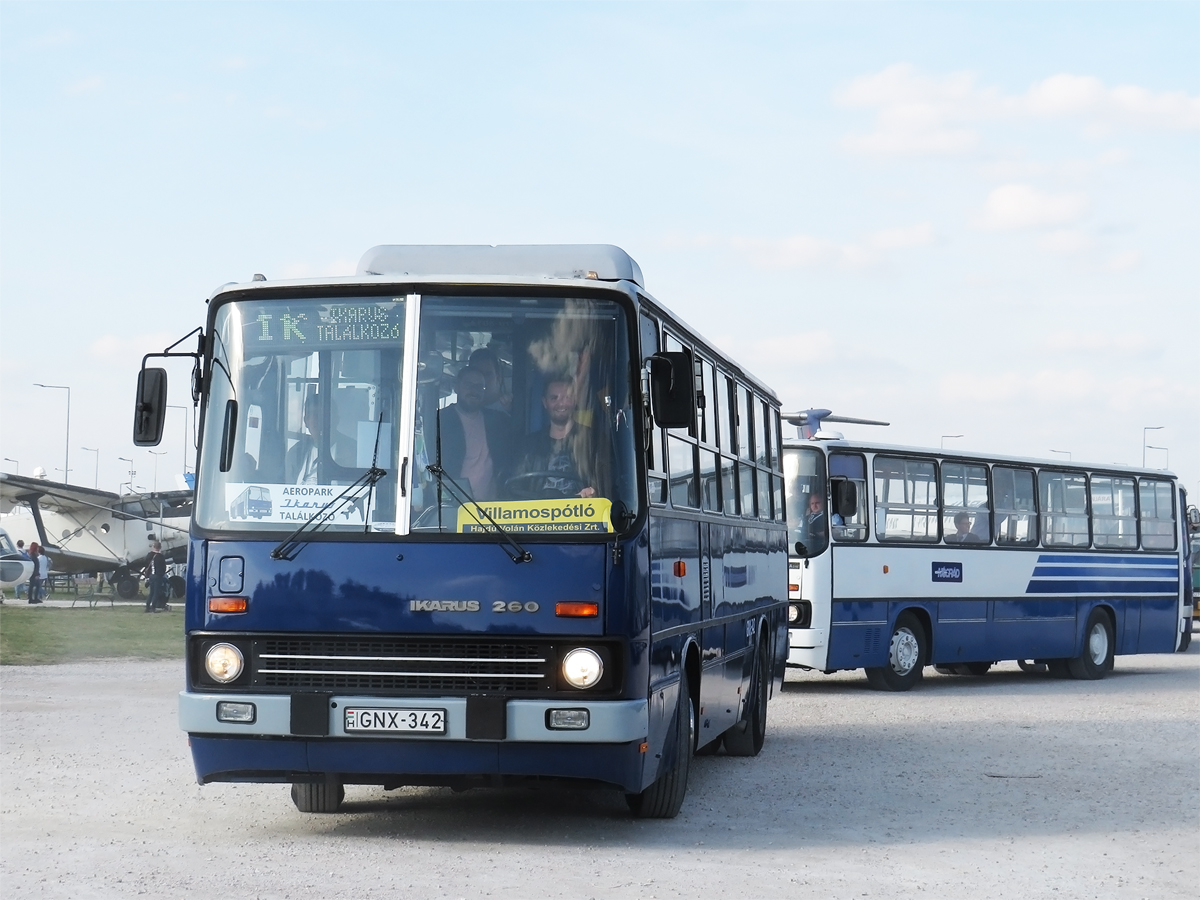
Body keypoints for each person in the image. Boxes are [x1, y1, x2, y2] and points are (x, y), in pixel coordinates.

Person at [511, 375, 596, 499]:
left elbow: (605, 480)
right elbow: (514, 488)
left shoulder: (592, 441)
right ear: (545, 403)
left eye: (567, 397)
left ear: (575, 400)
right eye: (554, 398)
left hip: (582, 514)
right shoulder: (528, 446)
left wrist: (593, 490)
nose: (561, 403)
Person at [436, 366, 513, 499]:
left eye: (479, 387)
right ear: (456, 387)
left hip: (491, 510)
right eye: (469, 385)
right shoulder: (440, 420)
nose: (474, 390)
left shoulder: (497, 421)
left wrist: (511, 408)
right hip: (452, 506)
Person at [286, 392, 356, 484]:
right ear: (306, 421)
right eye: (313, 414)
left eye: (324, 415)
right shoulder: (295, 453)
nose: (318, 420)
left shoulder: (354, 451)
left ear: (336, 419)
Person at [468, 347, 512, 413]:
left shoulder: (515, 405)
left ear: (498, 377)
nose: (483, 379)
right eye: (479, 373)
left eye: (488, 374)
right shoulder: (464, 412)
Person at [143, 541, 168, 612]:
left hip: (151, 576)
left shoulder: (149, 556)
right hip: (158, 576)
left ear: (153, 547)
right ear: (160, 548)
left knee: (151, 592)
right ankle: (153, 607)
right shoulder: (161, 557)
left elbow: (146, 564)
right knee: (156, 593)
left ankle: (147, 607)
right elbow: (163, 568)